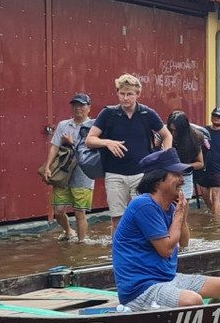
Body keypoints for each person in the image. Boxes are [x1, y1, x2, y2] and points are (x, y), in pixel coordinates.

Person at [112, 148, 220, 310]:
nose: (182, 180)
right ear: (157, 180)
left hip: (167, 279)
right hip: (141, 289)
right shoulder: (144, 204)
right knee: (192, 300)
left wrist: (181, 213)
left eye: (182, 175)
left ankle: (208, 322)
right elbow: (166, 250)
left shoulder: (171, 206)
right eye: (176, 175)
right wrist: (178, 215)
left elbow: (184, 242)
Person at [86, 74, 173, 230]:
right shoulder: (108, 113)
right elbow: (90, 139)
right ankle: (118, 246)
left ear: (137, 94)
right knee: (117, 219)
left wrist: (165, 161)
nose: (125, 98)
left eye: (130, 94)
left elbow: (167, 136)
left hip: (141, 173)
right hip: (114, 173)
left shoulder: (147, 113)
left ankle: (145, 245)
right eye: (122, 93)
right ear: (117, 93)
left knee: (144, 216)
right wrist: (107, 142)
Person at [44, 93, 95, 242]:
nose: (78, 108)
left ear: (89, 108)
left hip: (83, 174)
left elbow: (93, 150)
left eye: (81, 105)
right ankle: (68, 231)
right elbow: (55, 147)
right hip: (63, 172)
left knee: (80, 212)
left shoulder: (94, 126)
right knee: (58, 210)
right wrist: (48, 166)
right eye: (75, 105)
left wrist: (72, 143)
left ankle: (81, 243)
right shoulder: (63, 125)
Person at [166, 111, 205, 201]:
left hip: (185, 177)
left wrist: (182, 167)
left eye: (176, 131)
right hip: (166, 176)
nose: (173, 133)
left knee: (183, 205)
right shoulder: (164, 133)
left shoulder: (194, 138)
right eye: (171, 130)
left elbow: (200, 163)